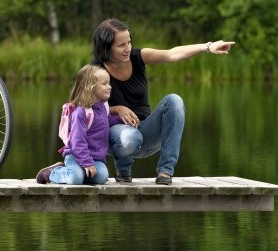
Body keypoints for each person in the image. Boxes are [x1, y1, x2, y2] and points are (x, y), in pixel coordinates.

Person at [91, 18, 234, 185]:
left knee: (174, 100)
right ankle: (123, 170)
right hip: (116, 139)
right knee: (129, 136)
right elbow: (82, 109)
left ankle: (165, 171)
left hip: (146, 133)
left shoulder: (138, 57)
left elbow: (172, 54)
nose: (128, 48)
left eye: (129, 42)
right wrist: (116, 109)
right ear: (106, 46)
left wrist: (208, 47)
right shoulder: (94, 71)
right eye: (121, 45)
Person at [36, 64, 121, 185]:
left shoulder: (103, 107)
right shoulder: (80, 112)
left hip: (95, 158)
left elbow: (107, 122)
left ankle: (77, 173)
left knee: (102, 177)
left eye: (109, 83)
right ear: (90, 87)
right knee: (75, 179)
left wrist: (123, 119)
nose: (109, 87)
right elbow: (77, 142)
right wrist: (87, 163)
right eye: (105, 84)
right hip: (75, 156)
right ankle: (51, 173)